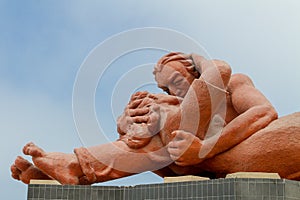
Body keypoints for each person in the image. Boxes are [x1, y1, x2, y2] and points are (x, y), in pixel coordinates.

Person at [11, 52, 300, 185]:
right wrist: (127, 124)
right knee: (162, 131)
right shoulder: (175, 109)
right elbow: (173, 164)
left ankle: (76, 168)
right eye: (165, 88)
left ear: (193, 70)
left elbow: (263, 112)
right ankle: (74, 170)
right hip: (207, 162)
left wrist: (203, 147)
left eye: (177, 80)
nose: (174, 90)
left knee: (166, 125)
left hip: (259, 145)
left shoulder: (232, 84)